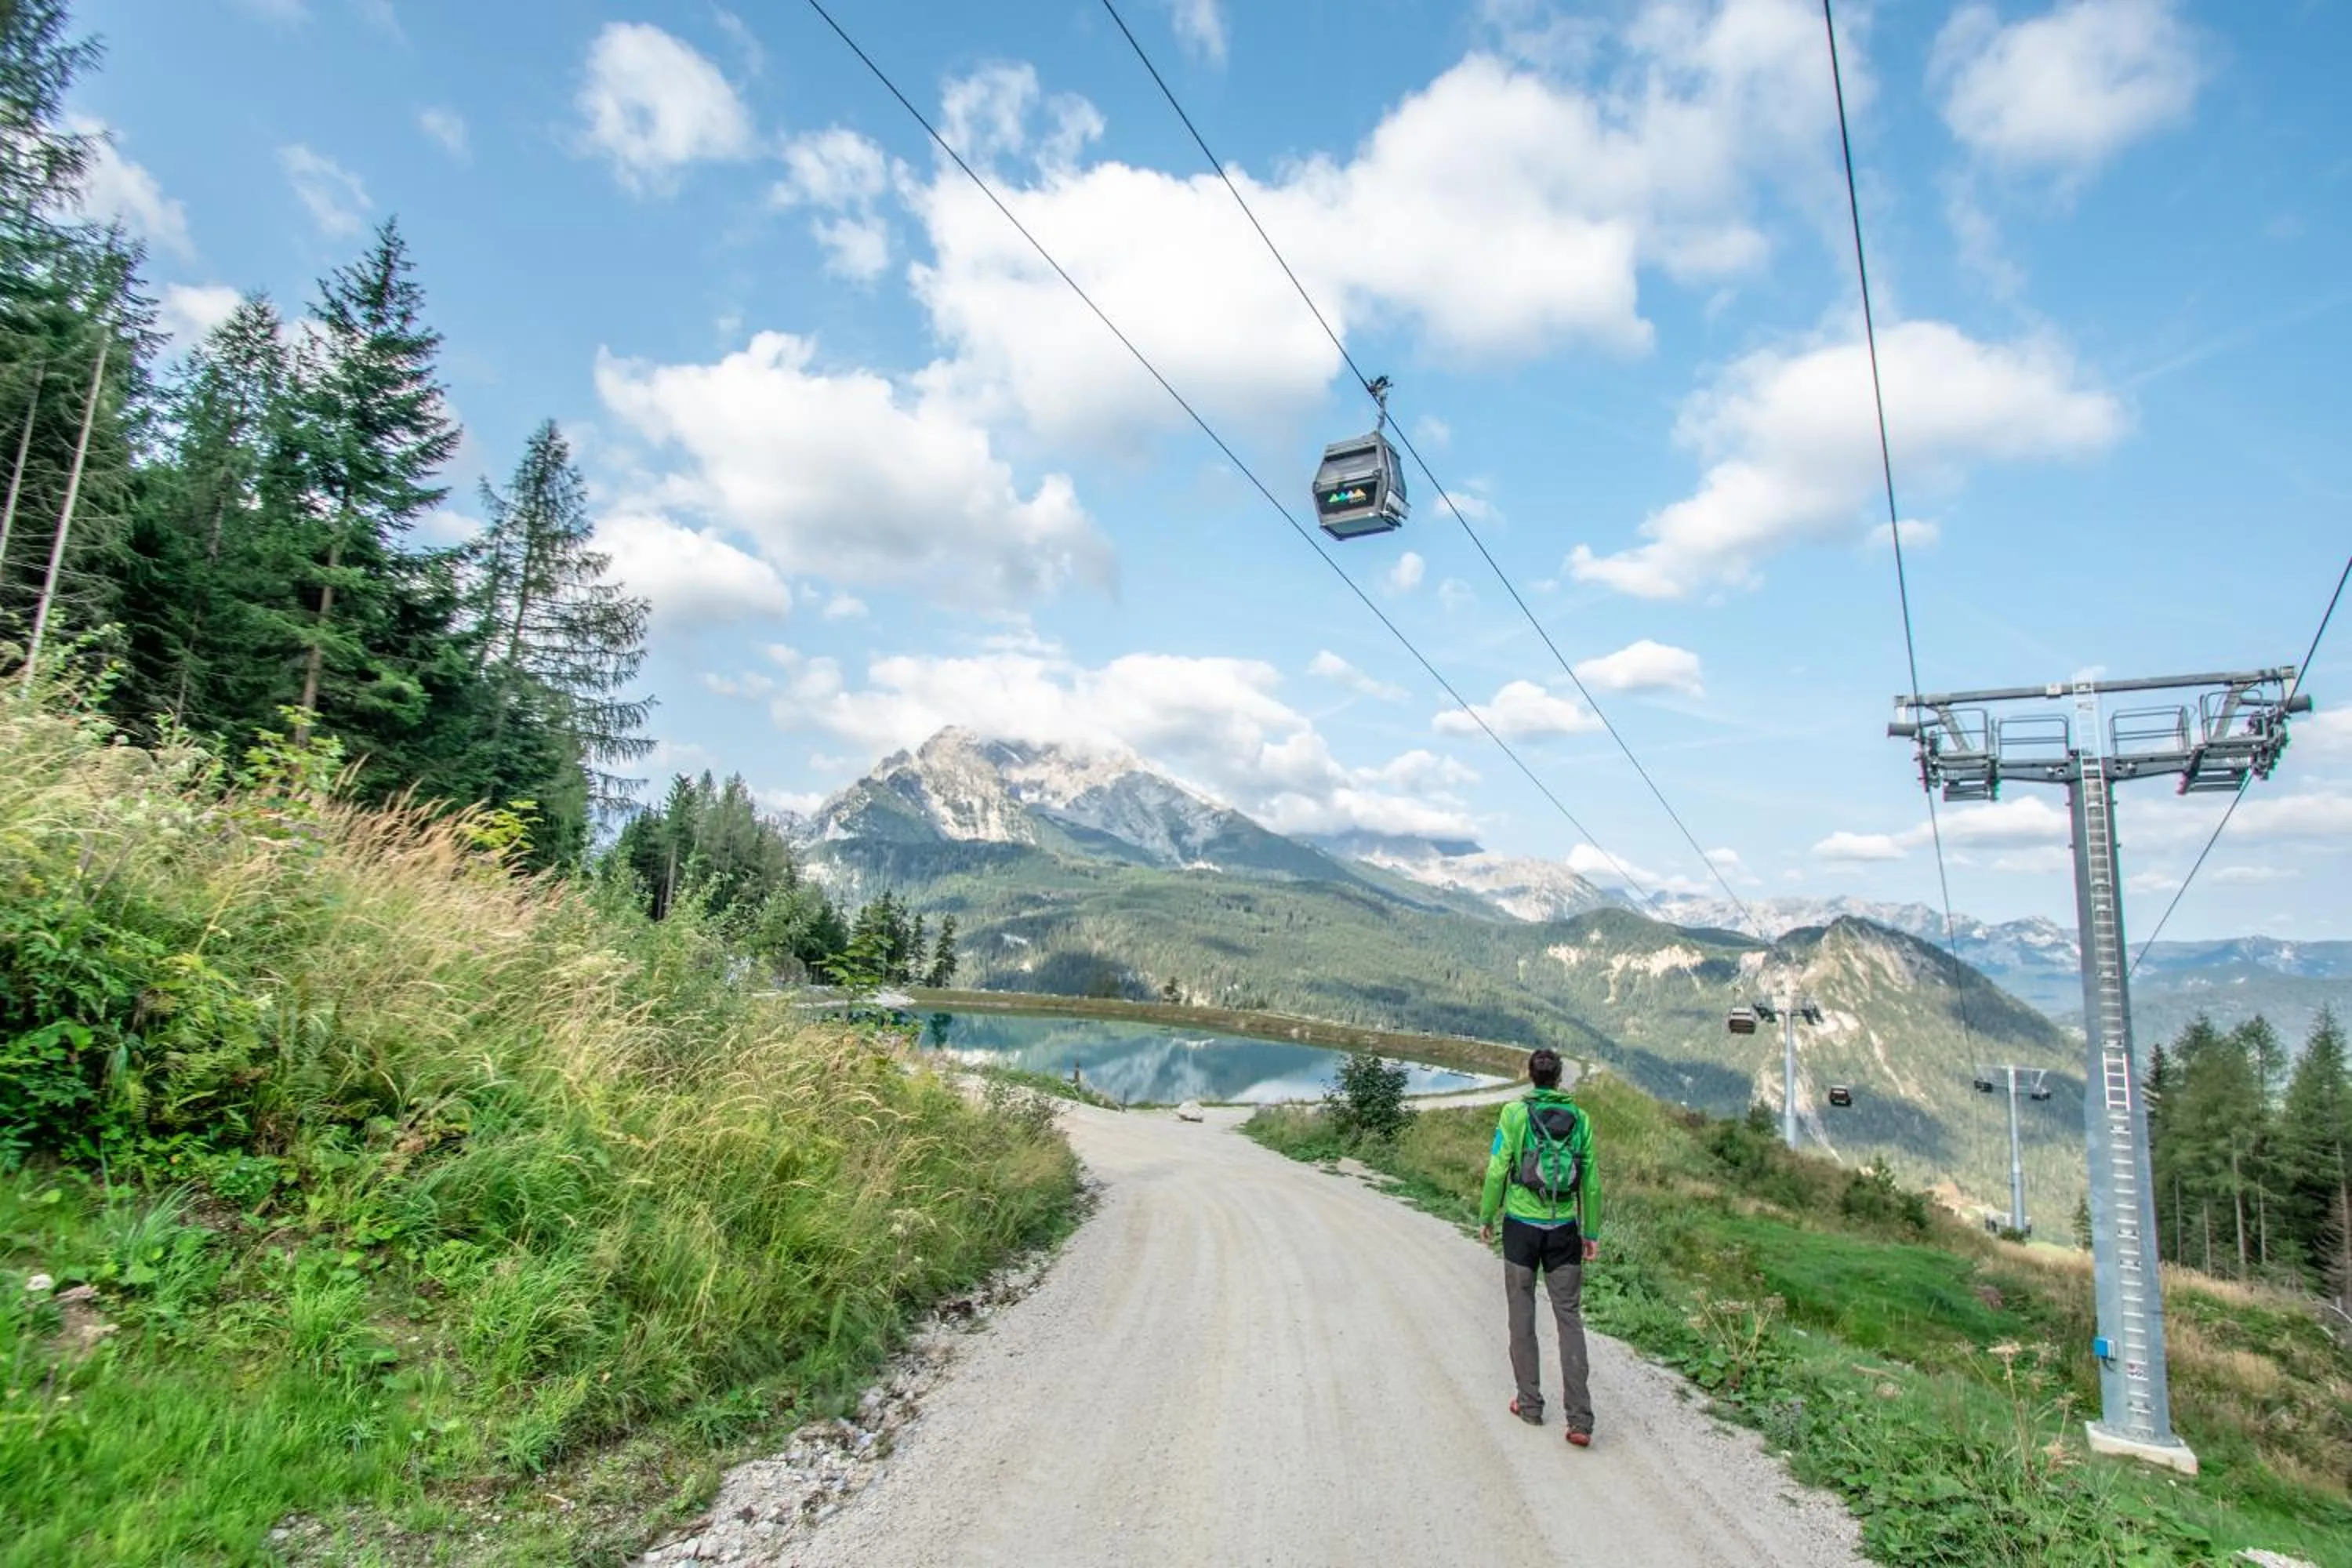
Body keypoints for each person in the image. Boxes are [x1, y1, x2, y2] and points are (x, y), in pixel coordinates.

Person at [1478, 1047, 1601, 1446]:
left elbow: (1499, 1167)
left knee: (1522, 1312)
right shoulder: (1580, 1119)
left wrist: (1486, 1214)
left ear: (1529, 1075)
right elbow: (1591, 1182)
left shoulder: (1514, 1115)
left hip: (1520, 1227)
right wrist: (1591, 1232)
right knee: (1569, 1317)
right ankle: (1580, 1420)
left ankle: (1530, 1404)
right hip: (1563, 1228)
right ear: (1560, 1078)